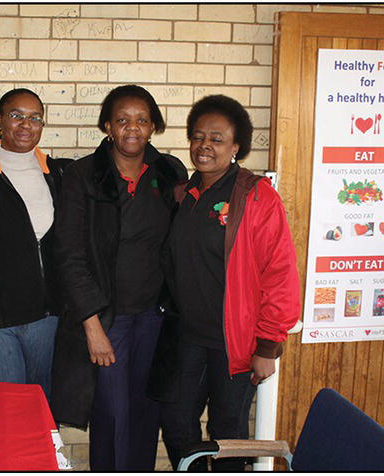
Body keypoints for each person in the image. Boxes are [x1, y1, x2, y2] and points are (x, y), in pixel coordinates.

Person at [155, 94, 301, 471]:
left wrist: (268, 346)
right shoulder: (185, 194)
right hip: (187, 337)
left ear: (237, 147)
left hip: (234, 342)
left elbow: (280, 271)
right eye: (198, 136)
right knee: (176, 422)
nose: (205, 146)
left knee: (228, 431)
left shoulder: (256, 195)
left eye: (217, 139)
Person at [51, 85, 188, 471]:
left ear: (153, 127)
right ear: (108, 126)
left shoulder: (169, 171)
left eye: (142, 120)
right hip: (107, 317)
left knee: (146, 411)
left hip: (155, 316)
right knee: (112, 413)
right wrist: (92, 325)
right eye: (123, 120)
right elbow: (69, 254)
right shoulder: (83, 175)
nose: (133, 128)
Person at [0, 88, 70, 399]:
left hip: (46, 318)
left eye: (35, 118)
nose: (26, 125)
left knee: (44, 408)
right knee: (6, 409)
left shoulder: (58, 173)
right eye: (16, 116)